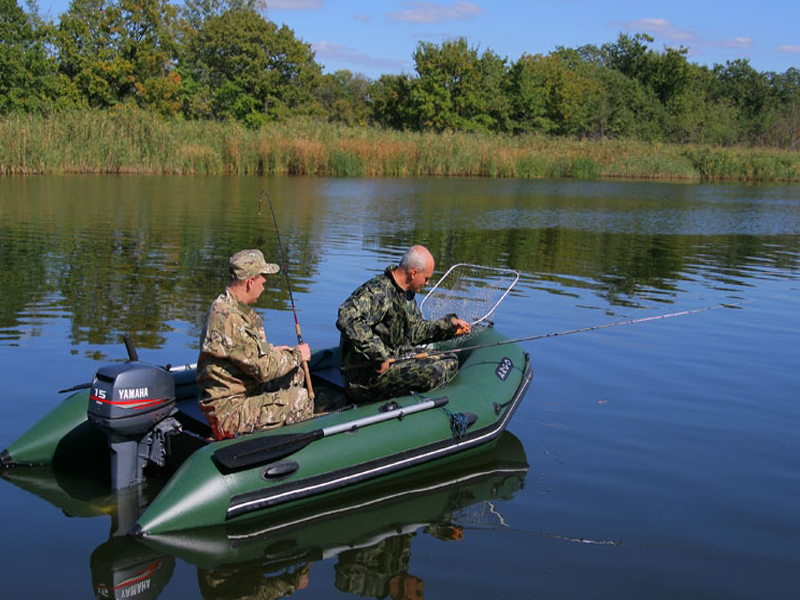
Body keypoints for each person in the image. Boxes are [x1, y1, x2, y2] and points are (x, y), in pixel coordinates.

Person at [197, 249, 312, 440]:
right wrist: (297, 354)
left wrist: (273, 351)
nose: (264, 288)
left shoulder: (231, 307)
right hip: (228, 412)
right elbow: (263, 369)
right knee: (300, 399)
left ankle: (271, 430)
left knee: (295, 373)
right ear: (250, 281)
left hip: (242, 392)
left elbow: (246, 352)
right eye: (263, 282)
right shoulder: (229, 318)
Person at [336, 245, 471, 403]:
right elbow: (347, 317)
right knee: (437, 371)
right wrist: (379, 353)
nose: (427, 283)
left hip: (393, 359)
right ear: (413, 273)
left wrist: (449, 325)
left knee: (450, 360)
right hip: (365, 377)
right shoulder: (379, 291)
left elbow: (415, 331)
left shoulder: (406, 294)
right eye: (426, 278)